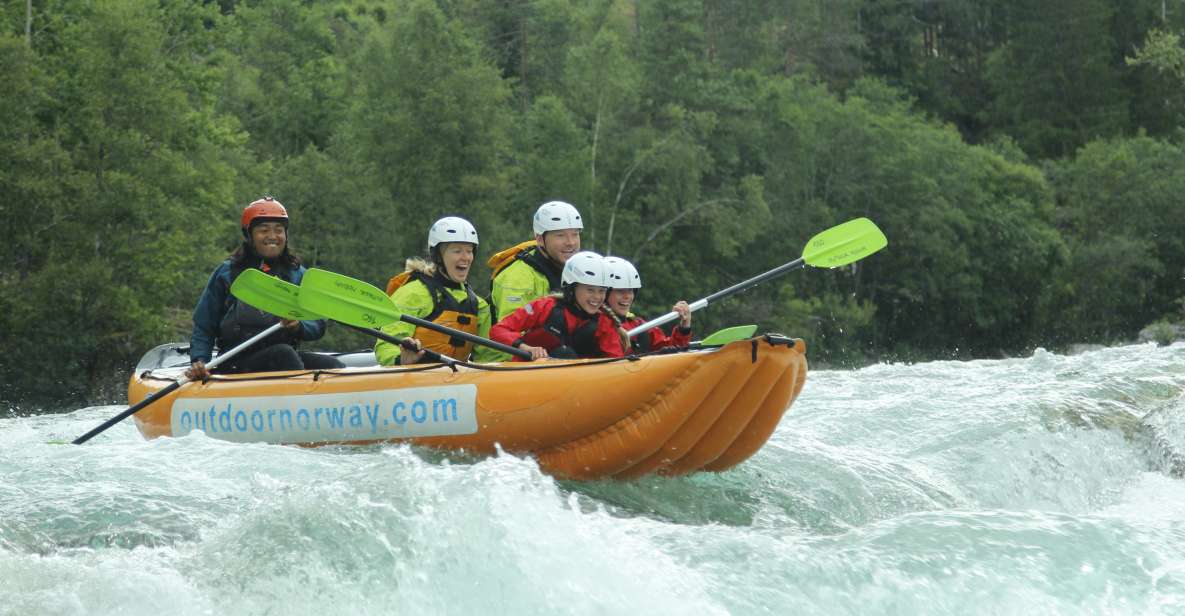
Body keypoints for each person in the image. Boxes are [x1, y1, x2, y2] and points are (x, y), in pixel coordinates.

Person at [186, 197, 344, 379]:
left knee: (333, 366)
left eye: (279, 230)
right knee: (282, 354)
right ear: (250, 235)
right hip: (235, 363)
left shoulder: (297, 274)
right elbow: (204, 326)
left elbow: (317, 323)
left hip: (282, 357)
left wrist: (299, 326)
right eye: (264, 230)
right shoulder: (228, 273)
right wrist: (200, 361)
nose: (272, 236)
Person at [375, 216, 494, 365]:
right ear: (437, 255)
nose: (466, 258)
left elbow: (490, 357)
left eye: (469, 251)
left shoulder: (478, 305)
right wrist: (401, 359)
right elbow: (387, 344)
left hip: (456, 381)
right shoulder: (413, 294)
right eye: (457, 251)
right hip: (415, 379)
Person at [489, 251, 625, 361]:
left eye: (602, 291)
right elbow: (498, 331)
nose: (597, 297)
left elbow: (615, 362)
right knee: (563, 353)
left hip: (577, 384)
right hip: (531, 376)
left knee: (566, 353)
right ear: (572, 288)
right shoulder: (545, 307)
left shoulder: (604, 322)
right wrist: (525, 347)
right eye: (590, 290)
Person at [601, 256, 692, 353]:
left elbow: (673, 350)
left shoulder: (638, 326)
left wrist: (684, 328)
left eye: (630, 290)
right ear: (605, 293)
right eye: (620, 291)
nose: (627, 296)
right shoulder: (597, 327)